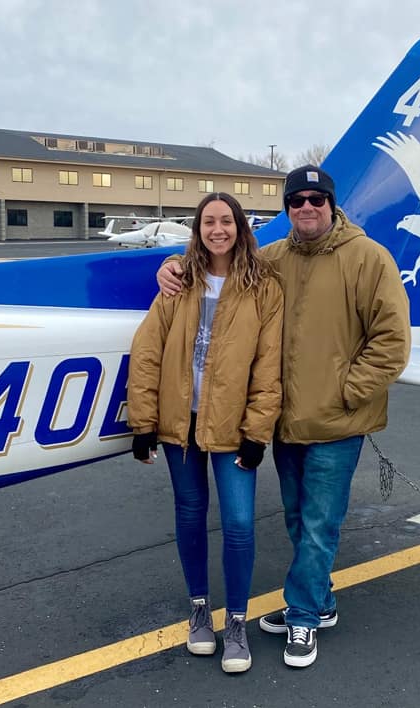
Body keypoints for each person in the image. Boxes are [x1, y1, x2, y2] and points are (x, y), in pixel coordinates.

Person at [156, 165, 410, 668]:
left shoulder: (369, 259)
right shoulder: (272, 259)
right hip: (286, 422)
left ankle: (302, 617)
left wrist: (345, 393)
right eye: (297, 200)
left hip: (338, 422)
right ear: (287, 209)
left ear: (332, 204)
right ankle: (320, 599)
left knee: (319, 524)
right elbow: (218, 261)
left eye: (317, 199)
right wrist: (172, 264)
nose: (307, 208)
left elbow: (393, 342)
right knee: (297, 517)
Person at [128, 192, 283, 674]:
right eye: (208, 222)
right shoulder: (179, 282)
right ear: (197, 230)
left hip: (234, 428)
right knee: (190, 514)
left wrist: (258, 431)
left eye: (226, 221)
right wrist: (144, 423)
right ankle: (200, 610)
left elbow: (268, 366)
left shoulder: (264, 287)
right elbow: (148, 350)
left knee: (238, 523)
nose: (218, 230)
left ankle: (236, 621)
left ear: (240, 226)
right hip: (181, 426)